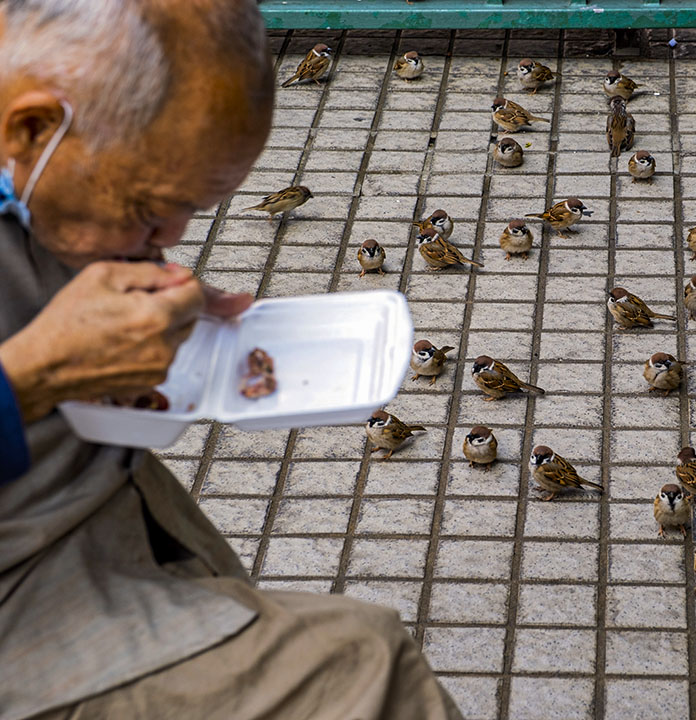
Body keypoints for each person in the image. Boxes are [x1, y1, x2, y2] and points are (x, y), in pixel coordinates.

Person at [0, 1, 461, 717]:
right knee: (366, 668)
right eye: (151, 206)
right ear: (30, 128)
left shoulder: (33, 140)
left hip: (96, 500)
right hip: (23, 596)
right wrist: (32, 377)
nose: (167, 240)